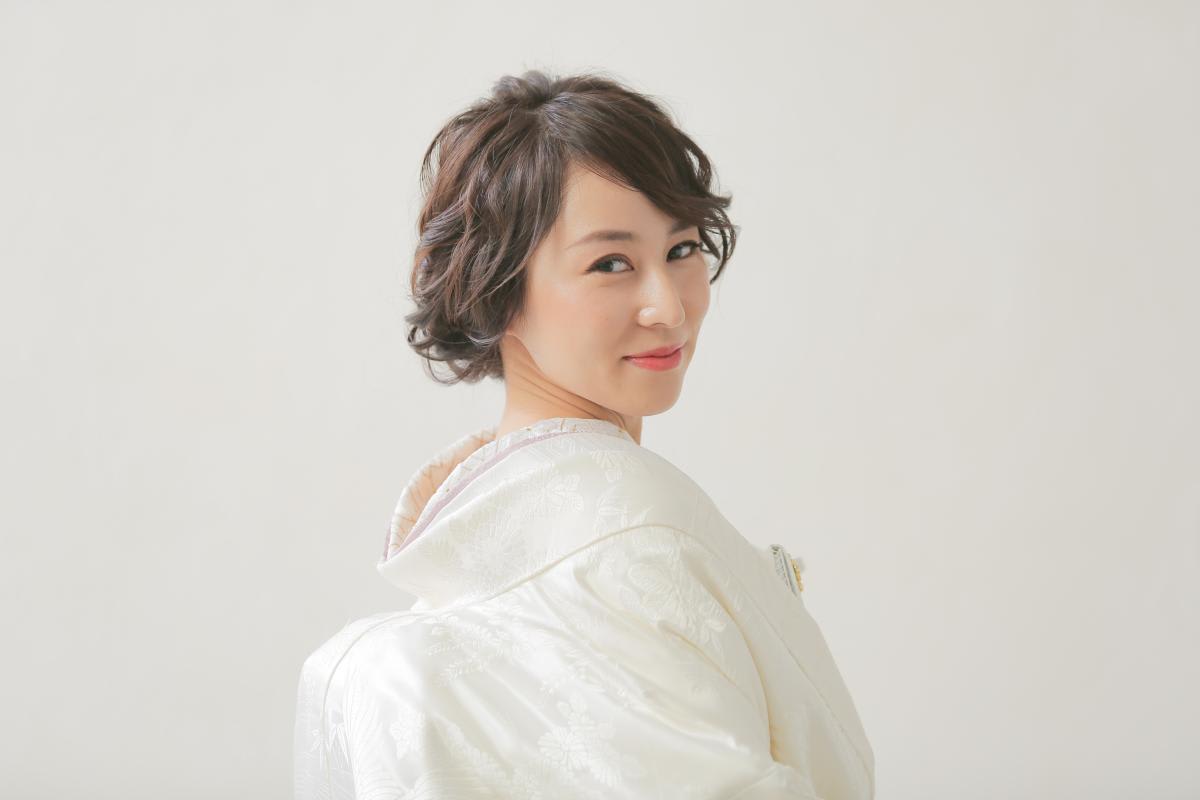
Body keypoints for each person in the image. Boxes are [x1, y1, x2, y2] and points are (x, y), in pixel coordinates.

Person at [294, 69, 875, 799]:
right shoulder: (631, 542)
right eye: (611, 264)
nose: (669, 308)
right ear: (497, 291)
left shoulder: (484, 549)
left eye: (682, 249)